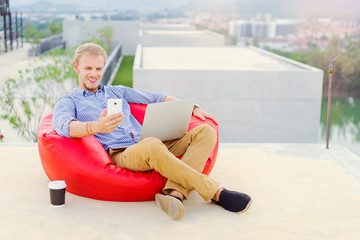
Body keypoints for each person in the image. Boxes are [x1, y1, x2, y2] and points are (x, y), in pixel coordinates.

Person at [52, 43, 252, 220]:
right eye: (88, 68)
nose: (94, 74)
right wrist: (96, 127)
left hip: (150, 142)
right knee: (151, 143)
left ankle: (175, 195)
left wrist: (194, 107)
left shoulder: (117, 91)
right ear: (76, 67)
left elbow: (156, 97)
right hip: (123, 153)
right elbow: (64, 126)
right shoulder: (69, 101)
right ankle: (215, 192)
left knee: (205, 132)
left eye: (98, 68)